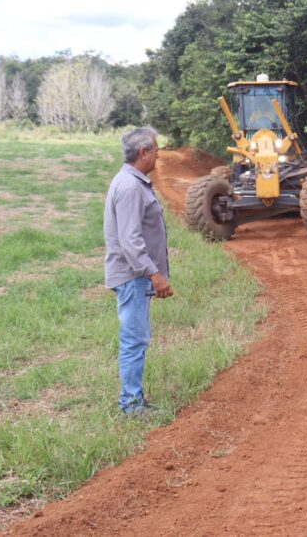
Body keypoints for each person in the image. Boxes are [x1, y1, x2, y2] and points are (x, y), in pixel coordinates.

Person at [103, 127, 173, 416]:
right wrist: (154, 275)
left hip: (134, 276)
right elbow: (130, 241)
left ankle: (134, 399)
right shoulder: (131, 187)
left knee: (137, 338)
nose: (158, 155)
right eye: (155, 150)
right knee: (134, 341)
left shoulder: (130, 181)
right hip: (133, 277)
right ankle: (131, 405)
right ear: (143, 152)